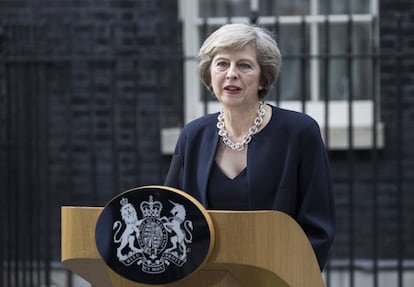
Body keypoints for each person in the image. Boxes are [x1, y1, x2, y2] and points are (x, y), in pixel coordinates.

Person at [164, 23, 335, 271]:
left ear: (263, 78)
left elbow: (318, 225)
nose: (231, 73)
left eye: (244, 65)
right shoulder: (193, 136)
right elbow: (171, 213)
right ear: (209, 73)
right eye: (222, 63)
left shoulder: (300, 133)